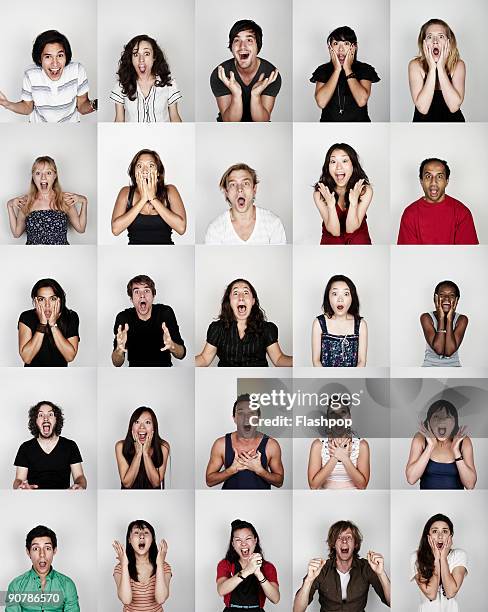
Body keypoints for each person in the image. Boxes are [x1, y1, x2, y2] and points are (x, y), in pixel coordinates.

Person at [0, 30, 96, 122]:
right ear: (39, 59)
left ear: (66, 56)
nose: (55, 63)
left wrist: (97, 104)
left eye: (60, 55)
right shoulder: (31, 74)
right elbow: (27, 107)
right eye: (48, 57)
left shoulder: (77, 70)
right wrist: (7, 104)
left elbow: (82, 106)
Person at [293, 520, 390, 611]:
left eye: (348, 537)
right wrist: (308, 581)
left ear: (355, 544)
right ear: (333, 544)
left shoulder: (366, 567)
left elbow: (391, 602)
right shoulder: (321, 569)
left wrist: (381, 574)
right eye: (339, 537)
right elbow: (297, 610)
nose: (344, 541)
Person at [195, 278, 292, 367]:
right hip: (227, 381)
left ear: (253, 301)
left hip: (257, 383)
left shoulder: (266, 329)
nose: (241, 297)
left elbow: (278, 359)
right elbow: (204, 359)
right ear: (229, 301)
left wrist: (300, 360)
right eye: (236, 293)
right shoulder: (217, 329)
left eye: (246, 292)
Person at [206, 393, 284, 489]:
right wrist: (231, 470)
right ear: (234, 418)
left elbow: (279, 482)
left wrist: (260, 471)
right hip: (229, 502)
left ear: (258, 417)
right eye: (241, 413)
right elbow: (209, 481)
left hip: (262, 502)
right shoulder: (221, 444)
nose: (246, 417)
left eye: (251, 413)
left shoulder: (271, 445)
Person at [210, 19, 281, 122]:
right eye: (237, 40)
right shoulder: (221, 74)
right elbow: (229, 122)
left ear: (258, 46)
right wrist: (236, 94)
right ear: (231, 46)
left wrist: (255, 95)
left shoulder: (270, 75)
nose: (242, 46)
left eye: (249, 40)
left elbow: (262, 122)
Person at [111, 149, 187, 245]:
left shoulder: (170, 191)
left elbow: (181, 228)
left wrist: (152, 198)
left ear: (158, 172)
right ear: (134, 172)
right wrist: (143, 199)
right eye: (139, 166)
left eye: (150, 165)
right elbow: (115, 230)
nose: (145, 170)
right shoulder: (125, 192)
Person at [7, 156, 87, 245]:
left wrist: (84, 201)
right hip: (33, 255)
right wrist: (9, 206)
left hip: (61, 255)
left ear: (55, 176)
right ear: (33, 177)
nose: (43, 178)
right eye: (38, 173)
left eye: (48, 173)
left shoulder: (65, 199)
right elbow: (16, 233)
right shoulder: (26, 202)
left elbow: (81, 229)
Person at [397, 158, 478, 245]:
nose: (433, 182)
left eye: (439, 177)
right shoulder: (410, 214)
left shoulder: (462, 213)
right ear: (421, 181)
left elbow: (467, 253)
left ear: (447, 181)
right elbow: (407, 254)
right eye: (428, 176)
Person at [112, 274, 185, 367]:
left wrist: (172, 346)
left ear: (153, 296)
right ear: (131, 298)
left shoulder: (165, 313)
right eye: (137, 291)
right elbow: (116, 363)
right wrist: (119, 350)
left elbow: (181, 354)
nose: (142, 296)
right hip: (136, 373)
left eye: (146, 291)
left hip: (164, 372)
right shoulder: (123, 318)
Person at [204, 163, 286, 244]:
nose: (239, 189)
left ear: (254, 189)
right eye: (233, 184)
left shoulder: (273, 223)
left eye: (246, 183)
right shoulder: (215, 229)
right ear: (226, 192)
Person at [310, 26, 380, 122]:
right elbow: (321, 102)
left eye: (346, 43)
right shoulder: (323, 70)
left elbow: (361, 100)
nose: (341, 49)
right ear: (330, 48)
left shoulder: (365, 69)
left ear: (354, 47)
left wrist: (347, 68)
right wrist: (337, 70)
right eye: (336, 43)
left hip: (360, 127)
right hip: (328, 127)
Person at [13, 400, 86, 490]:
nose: (46, 418)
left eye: (50, 414)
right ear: (35, 421)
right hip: (33, 499)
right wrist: (21, 486)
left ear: (56, 419)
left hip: (64, 499)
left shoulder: (70, 445)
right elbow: (18, 479)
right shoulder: (25, 447)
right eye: (40, 415)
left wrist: (80, 485)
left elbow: (79, 476)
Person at [6, 525, 80, 611]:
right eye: (36, 548)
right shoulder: (16, 586)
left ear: (54, 550)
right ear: (28, 552)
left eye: (47, 548)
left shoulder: (67, 585)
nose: (42, 554)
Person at [405, 400, 476, 490]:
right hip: (427, 501)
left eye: (447, 417)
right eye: (436, 416)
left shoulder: (463, 441)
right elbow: (411, 479)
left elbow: (470, 485)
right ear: (429, 421)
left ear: (455, 422)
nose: (441, 421)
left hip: (456, 501)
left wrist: (456, 451)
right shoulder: (420, 439)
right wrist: (430, 447)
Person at [111, 34, 182, 122]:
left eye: (146, 54)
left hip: (163, 135)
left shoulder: (169, 83)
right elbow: (119, 120)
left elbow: (174, 117)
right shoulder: (121, 85)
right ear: (131, 58)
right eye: (136, 54)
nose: (141, 59)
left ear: (154, 57)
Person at [313, 144, 373, 244]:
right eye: (333, 161)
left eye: (344, 161)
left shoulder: (365, 190)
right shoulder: (320, 193)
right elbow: (334, 232)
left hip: (360, 249)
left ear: (353, 165)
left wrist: (353, 203)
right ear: (328, 167)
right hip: (331, 250)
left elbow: (351, 229)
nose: (338, 167)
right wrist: (331, 206)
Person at [409, 19, 465, 122]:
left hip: (454, 126)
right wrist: (432, 69)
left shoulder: (458, 65)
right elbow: (423, 108)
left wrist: (440, 68)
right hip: (422, 126)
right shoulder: (415, 65)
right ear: (424, 43)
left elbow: (453, 107)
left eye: (441, 36)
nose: (435, 41)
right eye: (430, 37)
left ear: (449, 41)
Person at [217, 519, 280, 610]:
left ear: (255, 541)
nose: (243, 543)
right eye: (238, 540)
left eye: (248, 538)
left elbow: (275, 599)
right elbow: (221, 590)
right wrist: (247, 571)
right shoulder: (225, 564)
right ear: (233, 544)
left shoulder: (267, 567)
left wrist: (259, 573)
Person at [18, 278, 79, 367]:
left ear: (60, 299)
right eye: (41, 299)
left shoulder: (71, 316)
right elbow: (27, 358)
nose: (47, 305)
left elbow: (70, 357)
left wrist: (53, 325)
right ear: (35, 301)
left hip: (60, 375)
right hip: (32, 375)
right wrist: (42, 324)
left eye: (52, 299)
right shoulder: (26, 316)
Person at [411, 514, 467, 610]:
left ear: (450, 536)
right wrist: (436, 559)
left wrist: (443, 558)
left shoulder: (459, 555)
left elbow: (450, 592)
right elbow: (431, 595)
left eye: (445, 531)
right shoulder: (416, 557)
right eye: (435, 531)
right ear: (428, 536)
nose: (440, 536)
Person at [113, 520, 172, 611]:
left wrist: (160, 564)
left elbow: (161, 599)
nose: (141, 536)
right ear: (129, 539)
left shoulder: (164, 567)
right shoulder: (120, 568)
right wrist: (124, 565)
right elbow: (126, 600)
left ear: (152, 540)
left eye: (146, 532)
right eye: (136, 532)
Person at [307, 405, 370, 489]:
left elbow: (362, 486)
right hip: (325, 500)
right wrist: (335, 457)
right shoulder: (318, 445)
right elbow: (313, 486)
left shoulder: (362, 445)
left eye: (343, 412)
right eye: (333, 413)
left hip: (354, 500)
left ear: (349, 418)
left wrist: (345, 458)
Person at [312, 275, 367, 367]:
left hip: (353, 380)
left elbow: (362, 361)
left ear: (352, 298)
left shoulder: (361, 324)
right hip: (326, 380)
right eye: (335, 294)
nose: (340, 299)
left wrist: (350, 380)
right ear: (328, 297)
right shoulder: (319, 323)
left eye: (346, 294)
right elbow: (316, 361)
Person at [115, 407, 170, 489]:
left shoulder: (163, 447)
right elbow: (127, 484)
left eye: (147, 422)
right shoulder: (120, 446)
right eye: (137, 422)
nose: (142, 427)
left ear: (154, 427)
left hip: (154, 499)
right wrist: (138, 454)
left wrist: (145, 454)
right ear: (131, 427)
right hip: (128, 499)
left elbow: (156, 483)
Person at [420, 280, 468, 367]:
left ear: (457, 300)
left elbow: (449, 352)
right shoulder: (426, 317)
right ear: (435, 298)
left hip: (454, 367)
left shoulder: (462, 319)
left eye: (452, 295)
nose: (446, 298)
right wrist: (441, 318)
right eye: (442, 295)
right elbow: (439, 349)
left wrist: (449, 319)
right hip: (430, 366)